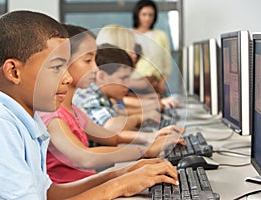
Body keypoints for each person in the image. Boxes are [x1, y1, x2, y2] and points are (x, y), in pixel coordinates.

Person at [0, 10, 180, 199]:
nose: (67, 78)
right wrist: (119, 186)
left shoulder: (26, 118)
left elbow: (48, 194)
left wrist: (123, 173)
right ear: (14, 72)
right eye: (56, 67)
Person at [38, 24, 185, 184]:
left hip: (88, 185)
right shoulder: (52, 115)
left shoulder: (73, 110)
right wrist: (145, 151)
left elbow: (111, 136)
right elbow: (86, 158)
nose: (95, 68)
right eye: (88, 60)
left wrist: (150, 137)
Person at [132, 0, 177, 101]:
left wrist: (161, 84)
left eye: (150, 15)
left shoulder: (161, 36)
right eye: (144, 14)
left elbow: (167, 64)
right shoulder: (128, 35)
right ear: (137, 15)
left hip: (155, 85)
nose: (147, 18)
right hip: (135, 86)